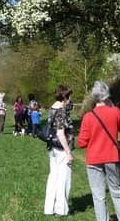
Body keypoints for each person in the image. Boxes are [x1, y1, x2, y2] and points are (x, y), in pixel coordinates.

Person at [78, 81, 120, 221]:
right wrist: (114, 109)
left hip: (94, 159)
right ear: (107, 96)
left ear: (94, 97)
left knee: (98, 196)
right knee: (117, 192)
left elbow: (81, 143)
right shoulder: (115, 112)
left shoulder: (88, 117)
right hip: (112, 157)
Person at [44, 84, 74, 217]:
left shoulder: (52, 107)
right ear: (65, 96)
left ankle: (49, 208)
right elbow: (61, 133)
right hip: (61, 149)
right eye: (69, 96)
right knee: (64, 179)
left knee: (53, 177)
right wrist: (68, 151)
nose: (70, 99)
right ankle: (61, 210)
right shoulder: (61, 111)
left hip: (52, 147)